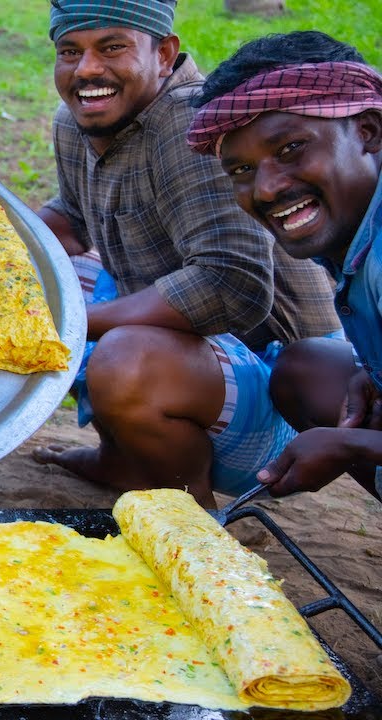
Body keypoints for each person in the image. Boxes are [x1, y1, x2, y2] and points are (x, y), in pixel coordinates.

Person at [29, 0, 342, 508]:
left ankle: (191, 513)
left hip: (284, 389)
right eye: (70, 51)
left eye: (112, 47)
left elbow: (230, 285)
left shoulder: (195, 125)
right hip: (194, 356)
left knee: (121, 353)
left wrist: (77, 322)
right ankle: (122, 461)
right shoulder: (77, 120)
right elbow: (73, 218)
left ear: (164, 52)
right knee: (34, 283)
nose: (87, 70)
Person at [187, 30, 382, 501]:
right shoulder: (355, 229)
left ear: (368, 130)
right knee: (307, 369)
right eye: (242, 170)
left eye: (291, 148)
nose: (267, 189)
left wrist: (349, 443)